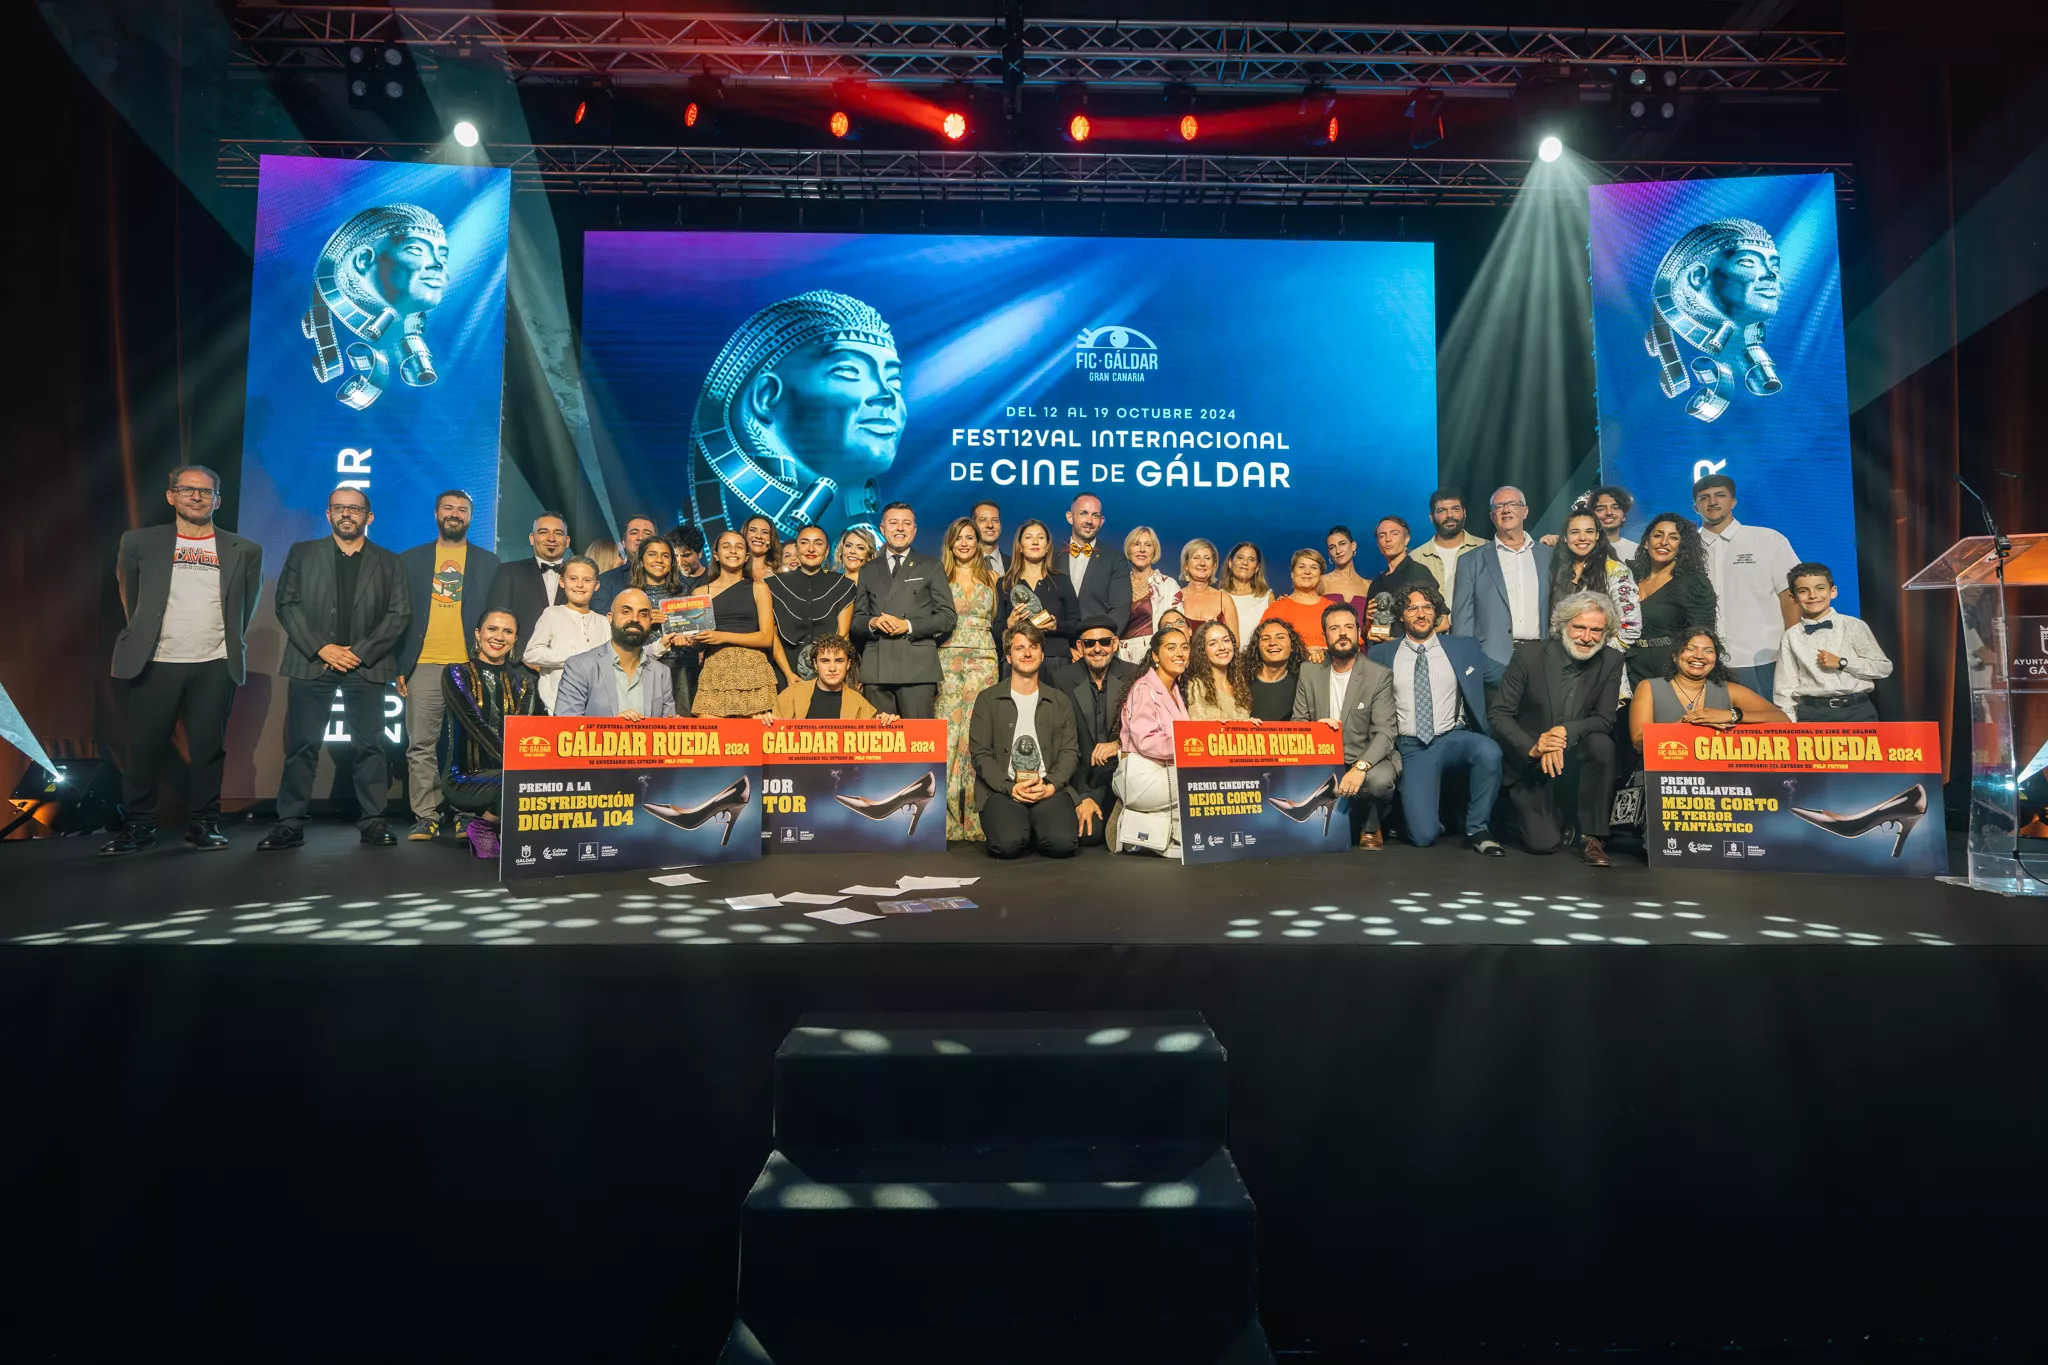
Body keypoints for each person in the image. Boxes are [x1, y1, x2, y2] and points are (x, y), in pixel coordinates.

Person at [103, 464, 263, 855]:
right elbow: (130, 594)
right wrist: (144, 634)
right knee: (144, 748)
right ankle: (139, 827)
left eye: (205, 492)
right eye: (188, 490)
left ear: (217, 500)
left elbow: (247, 604)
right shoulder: (139, 541)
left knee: (209, 748)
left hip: (214, 661)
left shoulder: (245, 549)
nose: (196, 497)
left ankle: (203, 824)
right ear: (170, 495)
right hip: (157, 660)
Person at [262, 485, 410, 850]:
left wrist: (358, 652)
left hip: (366, 666)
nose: (347, 514)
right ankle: (290, 823)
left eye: (355, 509)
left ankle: (374, 822)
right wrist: (322, 648)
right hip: (312, 662)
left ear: (368, 517)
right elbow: (287, 604)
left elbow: (399, 613)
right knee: (302, 746)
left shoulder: (391, 561)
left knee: (371, 747)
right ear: (328, 514)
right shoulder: (302, 553)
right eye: (339, 508)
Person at [1488, 590, 1628, 865]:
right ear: (1563, 625)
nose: (1587, 637)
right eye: (1579, 627)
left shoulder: (1611, 660)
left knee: (1602, 743)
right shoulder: (1528, 655)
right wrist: (1535, 747)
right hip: (1531, 762)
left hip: (1575, 757)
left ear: (1606, 633)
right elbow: (1499, 715)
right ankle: (1514, 815)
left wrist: (1564, 733)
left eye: (1596, 630)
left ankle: (1592, 836)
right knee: (1542, 844)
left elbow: (1604, 719)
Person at [1368, 583, 1506, 855]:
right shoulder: (1380, 654)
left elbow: (1509, 675)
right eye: (1412, 608)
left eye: (1427, 607)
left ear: (1436, 613)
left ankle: (1478, 829)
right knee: (1423, 836)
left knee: (1488, 751)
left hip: (1452, 737)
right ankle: (1417, 817)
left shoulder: (1463, 647)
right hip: (1410, 747)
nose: (1420, 614)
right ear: (1401, 615)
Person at [395, 488, 501, 841]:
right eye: (448, 508)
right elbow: (398, 615)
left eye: (462, 510)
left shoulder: (489, 562)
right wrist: (399, 664)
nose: (455, 514)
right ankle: (426, 814)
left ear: (471, 518)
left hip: (468, 667)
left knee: (467, 747)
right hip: (423, 663)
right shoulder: (411, 559)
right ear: (436, 513)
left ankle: (462, 812)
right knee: (421, 744)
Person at [967, 624, 1081, 860]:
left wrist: (1051, 784)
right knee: (1008, 845)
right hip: (1002, 789)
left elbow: (1070, 752)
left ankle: (1037, 824)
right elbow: (980, 754)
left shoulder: (1060, 701)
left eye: (1033, 647)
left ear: (1041, 654)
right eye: (1019, 648)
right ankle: (1023, 826)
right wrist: (1010, 788)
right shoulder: (987, 699)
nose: (1027, 653)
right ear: (1008, 656)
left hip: (1047, 787)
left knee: (1062, 845)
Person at [1291, 602, 1398, 849]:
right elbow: (1298, 722)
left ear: (1358, 633)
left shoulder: (1378, 675)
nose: (1342, 633)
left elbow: (1385, 731)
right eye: (1335, 628)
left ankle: (1371, 825)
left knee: (1379, 781)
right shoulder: (1309, 671)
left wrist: (1360, 767)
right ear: (1325, 635)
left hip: (1364, 757)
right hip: (1323, 757)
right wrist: (1315, 728)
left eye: (1349, 627)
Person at [440, 608, 540, 861]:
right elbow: (475, 726)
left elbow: (526, 732)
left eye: (508, 631)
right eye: (492, 629)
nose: (499, 637)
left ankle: (504, 826)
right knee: (518, 784)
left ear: (516, 639)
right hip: (464, 777)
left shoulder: (524, 682)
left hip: (510, 773)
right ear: (478, 633)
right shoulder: (456, 672)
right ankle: (483, 827)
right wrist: (518, 772)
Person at [1694, 473, 1800, 699]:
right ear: (1695, 507)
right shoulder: (1686, 548)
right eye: (1704, 498)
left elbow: (1790, 594)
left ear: (1733, 502)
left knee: (1768, 730)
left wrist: (1792, 647)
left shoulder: (1767, 540)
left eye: (1720, 495)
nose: (1712, 502)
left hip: (1763, 658)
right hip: (1701, 662)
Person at [851, 502, 956, 718]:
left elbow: (947, 617)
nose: (900, 528)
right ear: (882, 529)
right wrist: (873, 623)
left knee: (919, 744)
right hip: (877, 669)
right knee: (879, 747)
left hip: (917, 668)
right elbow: (857, 621)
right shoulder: (868, 570)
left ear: (914, 530)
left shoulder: (931, 566)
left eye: (906, 523)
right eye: (893, 522)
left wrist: (908, 625)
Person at [936, 516, 1001, 841]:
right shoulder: (938, 576)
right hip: (946, 661)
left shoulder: (992, 577)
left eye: (970, 538)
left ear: (978, 543)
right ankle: (946, 821)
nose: (964, 543)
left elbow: (997, 621)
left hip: (984, 661)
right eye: (958, 537)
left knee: (976, 739)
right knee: (948, 740)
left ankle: (975, 821)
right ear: (950, 543)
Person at [1630, 626, 1789, 748]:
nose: (1699, 656)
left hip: (1716, 780)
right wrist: (1691, 725)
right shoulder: (1649, 687)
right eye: (1690, 649)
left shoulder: (1730, 690)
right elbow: (1638, 741)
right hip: (1665, 778)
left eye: (1708, 651)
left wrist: (1731, 715)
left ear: (1715, 659)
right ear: (1675, 656)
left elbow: (1784, 721)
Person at [1774, 563, 1892, 722]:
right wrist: (1791, 723)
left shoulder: (1853, 625)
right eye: (1803, 591)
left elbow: (1883, 668)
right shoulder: (1791, 636)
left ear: (1833, 591)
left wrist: (1842, 662)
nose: (1813, 595)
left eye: (1820, 588)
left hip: (1857, 711)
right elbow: (1784, 688)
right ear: (1793, 598)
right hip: (1812, 714)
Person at [679, 529, 778, 717]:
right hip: (715, 670)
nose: (733, 551)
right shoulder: (700, 593)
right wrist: (689, 641)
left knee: (754, 741)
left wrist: (722, 636)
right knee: (710, 740)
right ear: (715, 554)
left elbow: (766, 638)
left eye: (739, 547)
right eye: (727, 546)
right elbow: (698, 645)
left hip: (753, 670)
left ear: (747, 555)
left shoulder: (759, 588)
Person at [1112, 624, 1192, 858]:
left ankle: (1158, 834)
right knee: (1198, 780)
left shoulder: (1175, 689)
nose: (1179, 653)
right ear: (1155, 655)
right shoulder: (1144, 689)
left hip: (1164, 772)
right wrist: (1189, 747)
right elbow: (1146, 741)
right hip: (1142, 775)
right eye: (1171, 648)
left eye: (1184, 647)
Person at [1453, 485, 1551, 670]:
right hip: (1492, 661)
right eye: (1499, 506)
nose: (1506, 510)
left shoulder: (1548, 556)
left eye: (1513, 504)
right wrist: (1469, 663)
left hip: (1542, 658)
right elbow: (1462, 621)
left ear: (1525, 511)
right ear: (1492, 516)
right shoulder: (1471, 561)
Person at [1065, 615, 1141, 846]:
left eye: (1104, 642)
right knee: (1088, 836)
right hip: (1080, 779)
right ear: (1080, 646)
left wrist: (1119, 745)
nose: (1098, 649)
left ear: (1115, 643)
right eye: (1090, 643)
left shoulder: (1134, 676)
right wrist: (1082, 796)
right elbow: (1061, 746)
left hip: (1122, 780)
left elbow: (1146, 733)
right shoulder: (1062, 679)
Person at [1626, 512, 1719, 688]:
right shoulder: (1629, 575)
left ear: (1682, 546)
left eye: (1673, 537)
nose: (1663, 542)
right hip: (1630, 667)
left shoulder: (1693, 582)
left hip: (1670, 668)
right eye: (1658, 535)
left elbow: (1703, 636)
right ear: (1646, 542)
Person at [553, 590, 678, 720]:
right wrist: (612, 730)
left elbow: (666, 729)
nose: (635, 619)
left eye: (643, 614)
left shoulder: (662, 673)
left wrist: (676, 727)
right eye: (626, 612)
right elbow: (564, 728)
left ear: (650, 621)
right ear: (610, 618)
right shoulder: (579, 667)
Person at [767, 524, 859, 684]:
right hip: (785, 671)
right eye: (804, 542)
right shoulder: (773, 585)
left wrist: (829, 671)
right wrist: (788, 674)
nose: (811, 549)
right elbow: (771, 635)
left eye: (818, 543)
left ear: (827, 549)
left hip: (830, 672)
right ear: (796, 548)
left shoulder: (844, 585)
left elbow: (843, 635)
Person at [523, 556, 610, 712]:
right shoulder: (552, 614)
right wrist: (571, 656)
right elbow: (531, 654)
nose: (579, 585)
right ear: (562, 582)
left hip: (595, 705)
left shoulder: (602, 622)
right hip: (558, 704)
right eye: (573, 579)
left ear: (596, 585)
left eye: (587, 580)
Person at [999, 519, 1082, 680]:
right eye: (1029, 537)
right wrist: (1009, 624)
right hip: (1017, 660)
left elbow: (1076, 624)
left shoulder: (1062, 581)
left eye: (1041, 537)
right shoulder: (1005, 584)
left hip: (1055, 659)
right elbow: (995, 629)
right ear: (1020, 546)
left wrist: (1055, 626)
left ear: (1047, 546)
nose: (1035, 542)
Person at [1548, 506, 1642, 648]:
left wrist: (1602, 653)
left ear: (1597, 535)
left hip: (1600, 662)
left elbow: (1632, 624)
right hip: (1558, 661)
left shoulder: (1616, 571)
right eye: (1575, 532)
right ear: (1565, 538)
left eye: (1589, 532)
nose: (1582, 538)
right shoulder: (1555, 569)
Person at [627, 534, 698, 713]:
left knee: (680, 729)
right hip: (642, 668)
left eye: (665, 556)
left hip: (679, 669)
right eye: (652, 554)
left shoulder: (682, 592)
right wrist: (645, 621)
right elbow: (621, 639)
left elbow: (693, 631)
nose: (659, 560)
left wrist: (688, 639)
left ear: (672, 563)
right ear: (641, 561)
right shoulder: (631, 594)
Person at [484, 510, 571, 648]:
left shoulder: (579, 578)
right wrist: (522, 656)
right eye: (543, 532)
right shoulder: (509, 572)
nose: (551, 538)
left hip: (568, 664)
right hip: (519, 665)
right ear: (532, 538)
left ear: (567, 541)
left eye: (558, 533)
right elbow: (495, 623)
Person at [772, 633, 893, 721]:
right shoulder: (790, 696)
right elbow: (770, 734)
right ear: (815, 664)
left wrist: (887, 722)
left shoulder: (861, 705)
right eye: (825, 661)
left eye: (839, 661)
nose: (832, 668)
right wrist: (765, 721)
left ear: (848, 664)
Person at [1064, 493, 1133, 641]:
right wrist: (1065, 647)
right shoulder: (1052, 557)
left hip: (1099, 649)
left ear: (1101, 521)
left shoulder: (1115, 559)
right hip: (1061, 651)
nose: (1089, 521)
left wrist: (1099, 643)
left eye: (1095, 516)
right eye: (1083, 513)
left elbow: (1120, 610)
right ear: (1070, 517)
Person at [1408, 488, 1488, 608]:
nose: (1450, 515)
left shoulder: (1486, 549)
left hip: (1477, 626)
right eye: (1442, 511)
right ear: (1431, 517)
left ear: (1464, 512)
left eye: (1455, 509)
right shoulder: (1415, 558)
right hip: (1433, 626)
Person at [1364, 517, 1439, 641]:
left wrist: (1404, 643)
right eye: (1382, 535)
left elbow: (1442, 622)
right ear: (1378, 544)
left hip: (1410, 654)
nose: (1388, 539)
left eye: (1394, 534)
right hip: (1378, 653)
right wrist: (1368, 623)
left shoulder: (1419, 573)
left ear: (1406, 539)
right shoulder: (1376, 583)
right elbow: (1365, 630)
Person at [1261, 549, 1338, 660]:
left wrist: (1326, 652)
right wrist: (1302, 652)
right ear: (1292, 573)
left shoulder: (1333, 609)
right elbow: (1261, 646)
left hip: (1326, 671)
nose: (1307, 571)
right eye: (1301, 567)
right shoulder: (1277, 609)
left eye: (1314, 567)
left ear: (1321, 575)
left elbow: (1350, 645)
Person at [1120, 525, 1180, 666]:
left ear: (1154, 551)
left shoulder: (1167, 585)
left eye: (1148, 545)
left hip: (1152, 656)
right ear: (1129, 549)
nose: (1142, 549)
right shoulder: (1117, 583)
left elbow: (1177, 628)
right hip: (1119, 657)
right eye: (1136, 544)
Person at [1540, 485, 1638, 560]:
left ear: (1624, 515)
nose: (1608, 512)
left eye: (1615, 508)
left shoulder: (1636, 551)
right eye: (1600, 509)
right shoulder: (1575, 545)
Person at [1239, 617, 1308, 722]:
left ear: (1292, 645)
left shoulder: (1302, 679)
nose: (1272, 643)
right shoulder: (1241, 679)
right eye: (1266, 638)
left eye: (1280, 637)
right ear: (1257, 646)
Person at [1185, 620, 1255, 721]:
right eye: (1213, 643)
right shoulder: (1196, 686)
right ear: (1202, 651)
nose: (1222, 647)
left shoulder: (1240, 686)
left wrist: (1250, 726)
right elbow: (1195, 731)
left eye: (1226, 641)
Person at [590, 514, 662, 611]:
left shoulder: (676, 579)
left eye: (647, 533)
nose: (640, 537)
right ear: (624, 542)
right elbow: (600, 619)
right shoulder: (607, 581)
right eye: (634, 533)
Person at [1174, 538, 1231, 641]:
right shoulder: (1175, 598)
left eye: (1207, 558)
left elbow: (1234, 642)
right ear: (1186, 564)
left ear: (1214, 565)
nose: (1202, 563)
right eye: (1196, 558)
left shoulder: (1225, 599)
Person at [1222, 541, 1273, 646]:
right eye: (1240, 558)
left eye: (1251, 559)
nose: (1245, 563)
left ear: (1257, 568)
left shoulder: (1267, 597)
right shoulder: (1219, 597)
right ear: (1230, 563)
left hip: (1257, 661)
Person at [1320, 525, 1373, 622]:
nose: (1338, 551)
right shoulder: (1321, 582)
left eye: (1342, 544)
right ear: (1329, 554)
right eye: (1332, 547)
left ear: (1353, 546)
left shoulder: (1368, 586)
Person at [741, 513, 781, 583]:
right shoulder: (733, 571)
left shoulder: (782, 571)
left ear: (771, 539)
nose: (758, 536)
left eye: (765, 532)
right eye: (753, 530)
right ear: (744, 534)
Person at [972, 499, 1006, 577]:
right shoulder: (960, 565)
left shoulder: (1014, 565)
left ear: (1000, 525)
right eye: (983, 520)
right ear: (973, 525)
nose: (990, 525)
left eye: (994, 520)